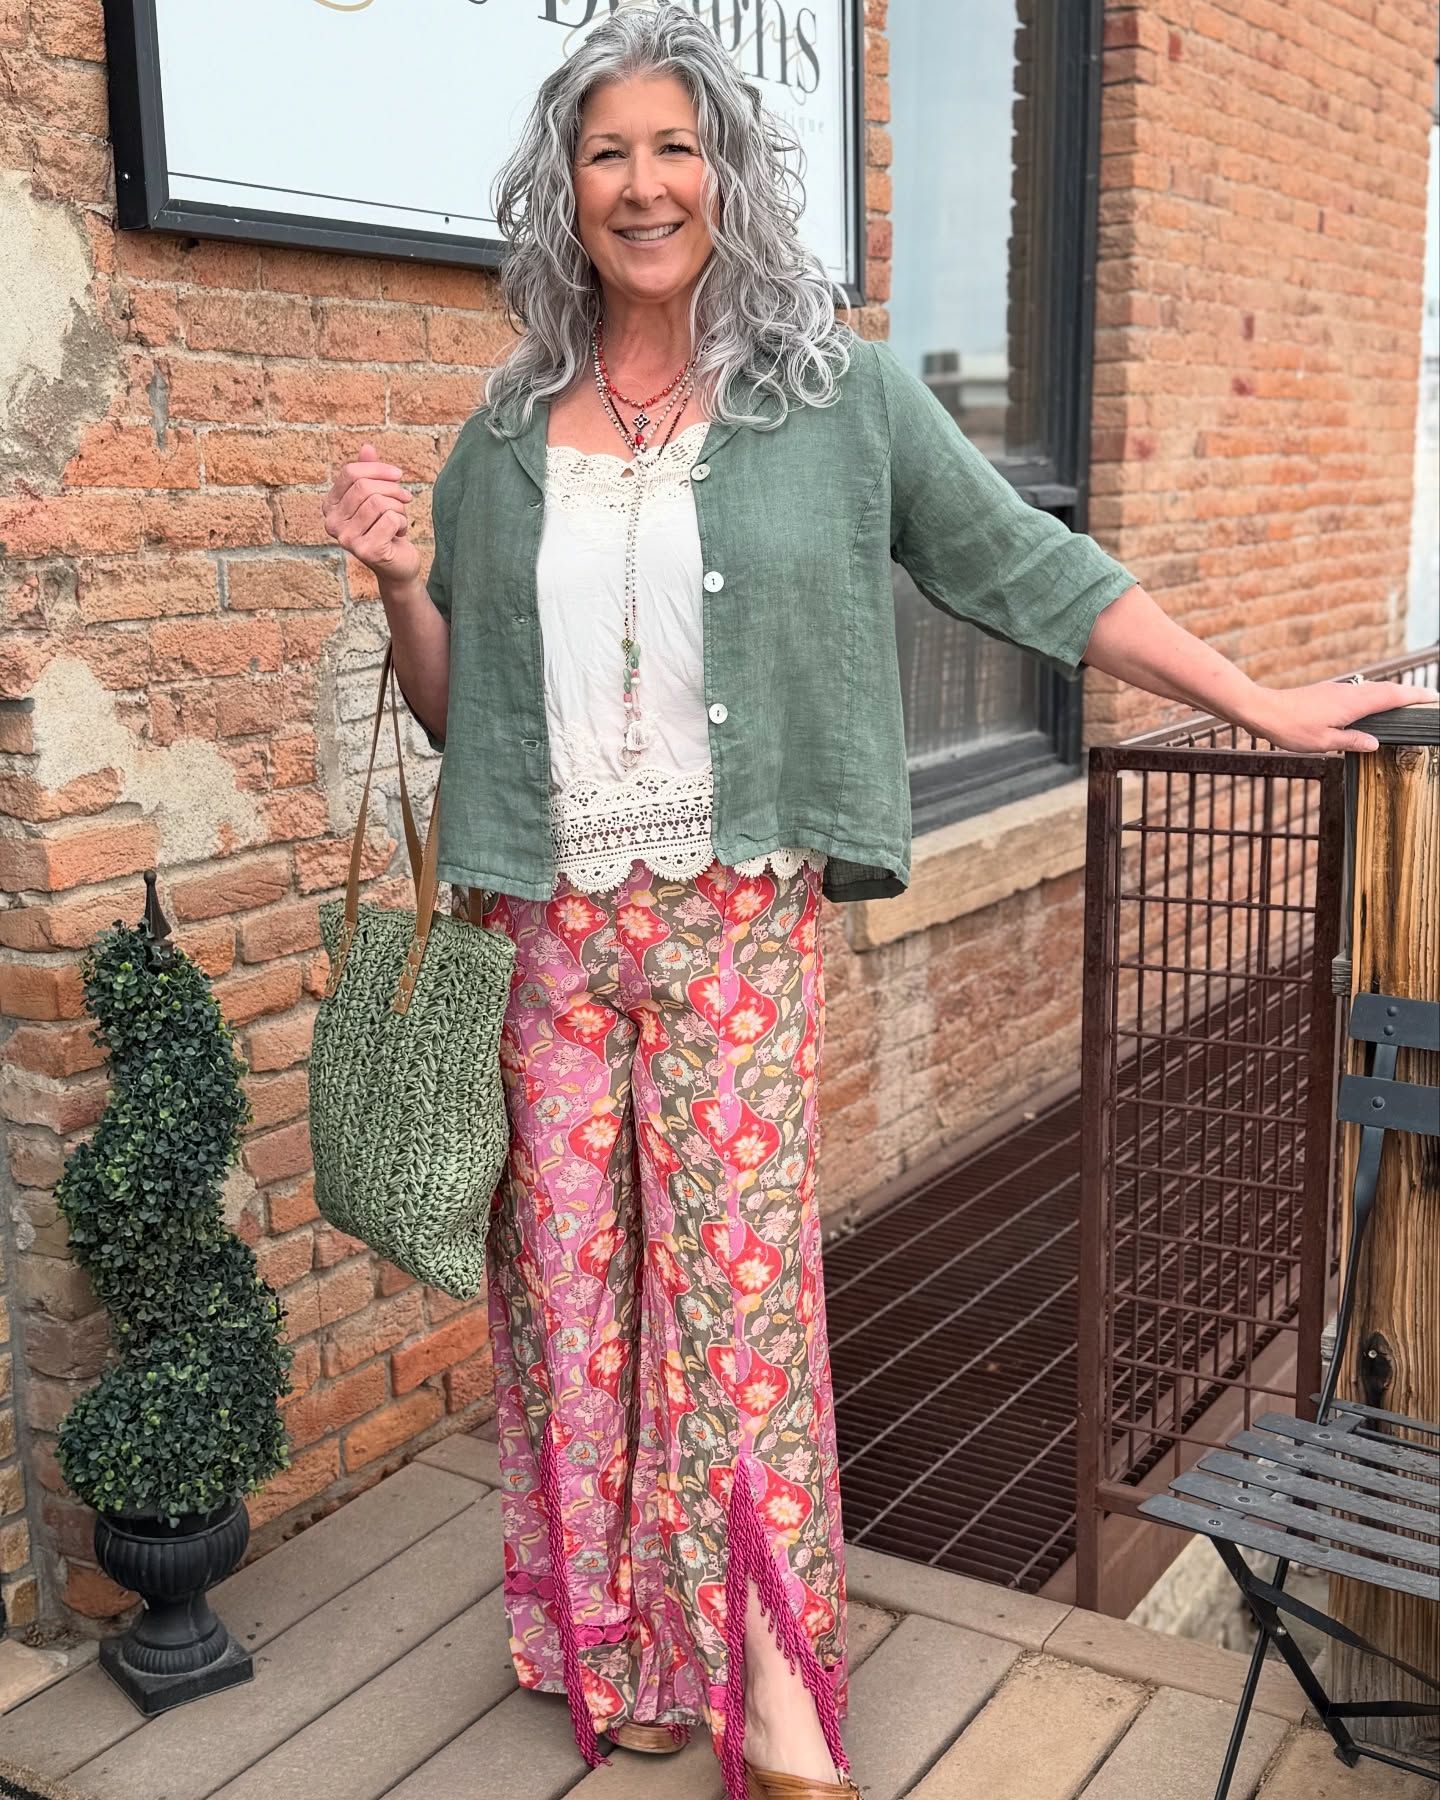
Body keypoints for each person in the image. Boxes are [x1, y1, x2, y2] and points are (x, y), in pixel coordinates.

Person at [321, 9, 1436, 1797]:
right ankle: (615, 1648)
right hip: (541, 934)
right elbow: (471, 721)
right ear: (563, 188)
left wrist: (1264, 703)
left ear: (730, 174)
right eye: (606, 153)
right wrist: (399, 589)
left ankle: (770, 1672)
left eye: (674, 147)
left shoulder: (835, 399)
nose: (643, 183)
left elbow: (1034, 571)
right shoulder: (506, 430)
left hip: (737, 929)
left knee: (741, 1306)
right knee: (573, 1296)